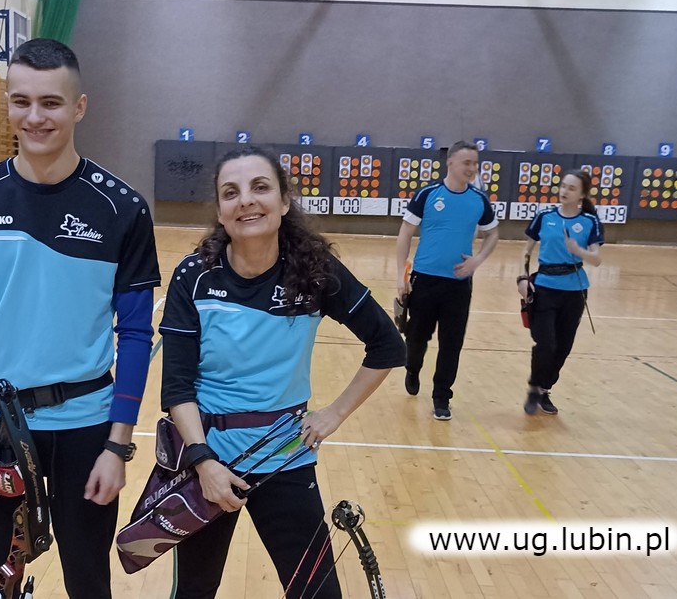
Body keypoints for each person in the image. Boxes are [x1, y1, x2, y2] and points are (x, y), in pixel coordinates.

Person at [0, 38, 160, 599]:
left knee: (89, 583)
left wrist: (118, 445)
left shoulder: (122, 208)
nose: (35, 117)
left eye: (51, 102)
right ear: (8, 104)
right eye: (22, 101)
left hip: (86, 429)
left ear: (79, 107)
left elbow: (135, 334)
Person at [159, 146, 406, 598]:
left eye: (260, 187)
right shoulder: (194, 275)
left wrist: (334, 414)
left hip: (284, 456)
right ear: (220, 210)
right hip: (209, 461)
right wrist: (202, 460)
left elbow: (388, 345)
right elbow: (177, 386)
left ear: (284, 200)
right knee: (194, 591)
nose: (246, 201)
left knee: (318, 593)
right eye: (231, 192)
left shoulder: (314, 271)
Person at [395, 141, 500, 420]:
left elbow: (493, 234)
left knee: (452, 343)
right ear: (450, 162)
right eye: (467, 162)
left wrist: (478, 259)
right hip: (424, 281)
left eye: (475, 163)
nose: (472, 168)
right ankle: (412, 368)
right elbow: (405, 233)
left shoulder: (478, 199)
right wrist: (401, 275)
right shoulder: (428, 194)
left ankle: (441, 397)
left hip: (459, 285)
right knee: (417, 338)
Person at [518, 169, 603, 415]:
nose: (565, 191)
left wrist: (579, 251)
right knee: (546, 343)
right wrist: (522, 278)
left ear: (582, 195)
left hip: (574, 292)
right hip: (545, 288)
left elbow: (597, 259)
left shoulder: (590, 221)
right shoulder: (544, 216)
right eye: (563, 186)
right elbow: (526, 250)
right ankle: (534, 387)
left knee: (563, 346)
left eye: (572, 188)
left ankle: (544, 389)